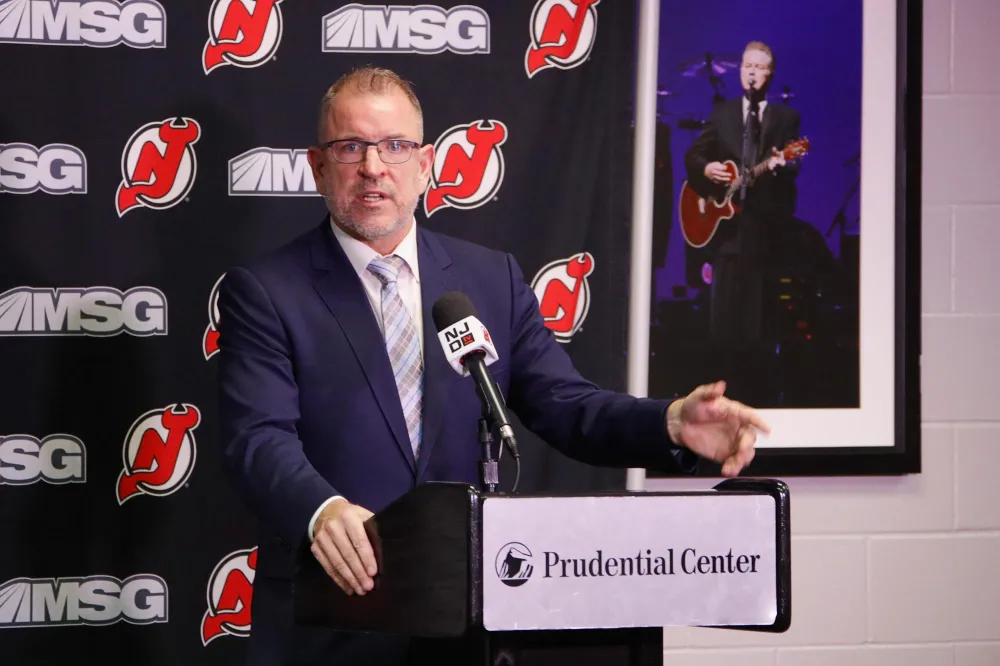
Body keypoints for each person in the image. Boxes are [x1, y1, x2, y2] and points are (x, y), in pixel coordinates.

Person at [216, 66, 770, 666]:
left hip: (463, 627)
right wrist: (321, 510)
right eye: (351, 147)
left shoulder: (490, 280)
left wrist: (669, 424)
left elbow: (565, 406)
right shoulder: (267, 291)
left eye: (396, 146)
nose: (375, 167)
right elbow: (258, 437)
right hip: (331, 619)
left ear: (426, 165)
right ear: (318, 165)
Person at [683, 41, 802, 347]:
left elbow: (793, 167)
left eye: (759, 67)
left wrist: (778, 164)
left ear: (770, 74)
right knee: (723, 319)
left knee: (758, 319)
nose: (752, 72)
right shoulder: (722, 114)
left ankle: (757, 380)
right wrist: (708, 168)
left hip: (765, 230)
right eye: (747, 66)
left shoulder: (785, 118)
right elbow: (694, 156)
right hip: (726, 234)